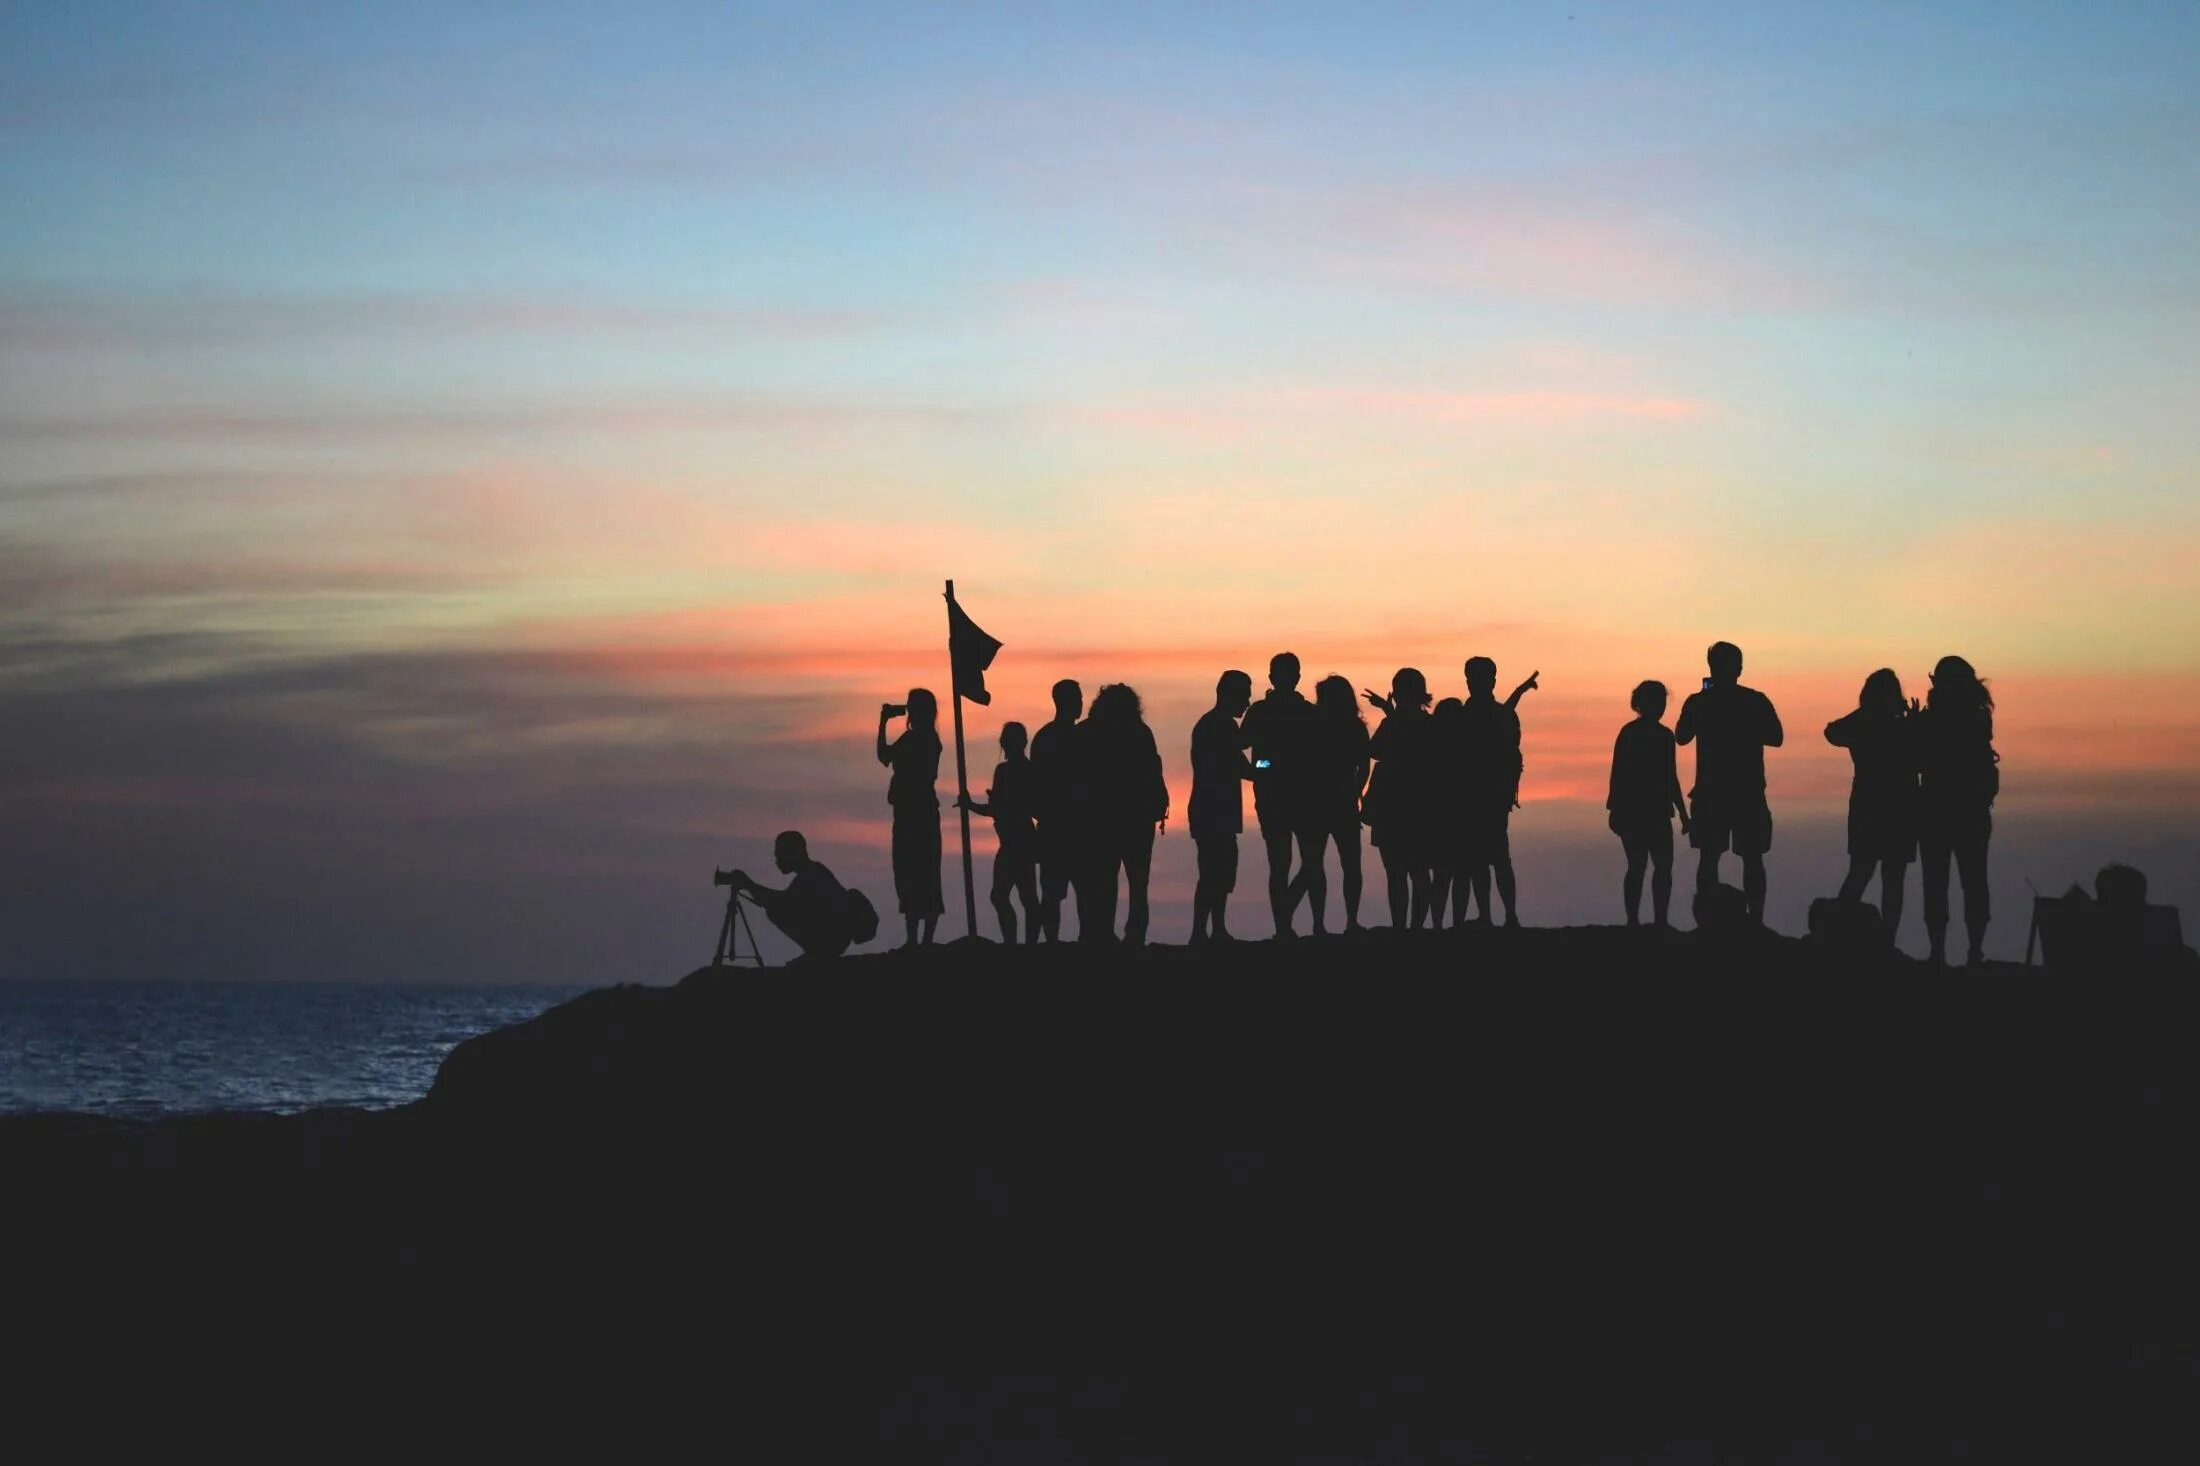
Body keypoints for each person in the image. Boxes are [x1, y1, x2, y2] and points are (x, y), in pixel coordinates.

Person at [1676, 642, 1784, 924]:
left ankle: (1707, 920)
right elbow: (1776, 736)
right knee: (1751, 858)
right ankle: (1756, 920)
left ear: (1711, 667)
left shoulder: (1699, 702)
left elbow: (1681, 735)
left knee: (1709, 857)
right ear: (1739, 668)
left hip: (1712, 792)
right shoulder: (1755, 700)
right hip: (1746, 791)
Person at [1824, 668, 1918, 944]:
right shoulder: (1902, 726)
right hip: (1900, 807)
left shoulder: (1863, 725)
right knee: (1891, 877)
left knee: (1863, 870)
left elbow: (1833, 731)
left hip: (1869, 805)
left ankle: (1840, 933)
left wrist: (1866, 714)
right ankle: (1885, 939)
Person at [1916, 654, 1998, 966]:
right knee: (1973, 882)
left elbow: (1921, 759)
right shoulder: (1978, 717)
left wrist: (1917, 723)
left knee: (1939, 884)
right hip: (1970, 812)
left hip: (1939, 811)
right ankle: (1972, 952)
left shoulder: (1942, 719)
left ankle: (1941, 952)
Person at [1075, 683, 1170, 945]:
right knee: (1137, 883)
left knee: (1106, 880)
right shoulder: (1139, 732)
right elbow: (1154, 772)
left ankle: (1106, 932)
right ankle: (1131, 933)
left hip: (1105, 819)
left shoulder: (1087, 732)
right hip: (1133, 818)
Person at [1240, 652, 1319, 937]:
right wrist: (1266, 766)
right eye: (1282, 674)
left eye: (1289, 674)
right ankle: (1283, 927)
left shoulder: (1309, 712)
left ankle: (1285, 913)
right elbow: (1241, 745)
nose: (1286, 680)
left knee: (1308, 864)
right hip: (1275, 797)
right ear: (1274, 678)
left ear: (1296, 678)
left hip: (1303, 798)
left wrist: (1266, 766)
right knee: (1281, 863)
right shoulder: (1260, 711)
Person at [1453, 658, 1535, 927]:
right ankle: (1503, 916)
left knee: (1486, 860)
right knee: (1496, 859)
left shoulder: (1465, 717)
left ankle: (1495, 917)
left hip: (1475, 798)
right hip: (1490, 798)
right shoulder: (1502, 716)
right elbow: (1512, 750)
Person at [1286, 675, 1370, 934]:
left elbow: (1363, 765)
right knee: (1339, 865)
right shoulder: (1352, 726)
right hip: (1328, 803)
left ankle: (1317, 921)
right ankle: (1338, 922)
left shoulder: (1313, 724)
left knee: (1316, 865)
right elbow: (1364, 766)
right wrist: (1355, 791)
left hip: (1319, 803)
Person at [1607, 681, 1690, 928]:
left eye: (1662, 702)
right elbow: (1620, 774)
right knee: (1645, 867)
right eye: (1657, 701)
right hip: (1640, 812)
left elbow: (1670, 777)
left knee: (1652, 868)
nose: (1661, 707)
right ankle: (1643, 921)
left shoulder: (1655, 735)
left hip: (1650, 812)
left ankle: (1653, 921)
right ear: (1642, 704)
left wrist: (1684, 815)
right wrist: (1615, 809)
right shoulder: (1643, 735)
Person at [1363, 668, 1437, 931]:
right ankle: (1414, 926)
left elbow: (1375, 750)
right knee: (1416, 870)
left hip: (1394, 804)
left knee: (1398, 872)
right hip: (1419, 806)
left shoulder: (1396, 723)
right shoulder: (1430, 725)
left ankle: (1401, 927)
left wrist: (1388, 713)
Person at [957, 722, 1040, 945]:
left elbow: (1024, 806)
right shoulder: (1004, 771)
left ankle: (1022, 943)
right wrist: (972, 805)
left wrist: (985, 804)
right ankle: (1013, 942)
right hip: (1011, 839)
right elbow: (996, 808)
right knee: (1007, 896)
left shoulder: (1023, 770)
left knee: (1022, 897)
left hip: (1019, 839)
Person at [1189, 670, 1255, 942]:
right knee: (1214, 872)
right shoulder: (1221, 726)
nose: (1247, 702)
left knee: (1217, 872)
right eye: (1244, 696)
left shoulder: (1211, 723)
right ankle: (1205, 931)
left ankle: (1212, 929)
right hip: (1214, 811)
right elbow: (1242, 765)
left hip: (1212, 811)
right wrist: (1270, 765)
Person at [877, 688, 944, 947]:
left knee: (923, 873)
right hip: (907, 814)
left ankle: (922, 939)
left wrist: (883, 722)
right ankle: (915, 939)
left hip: (920, 813)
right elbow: (884, 756)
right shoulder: (913, 738)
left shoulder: (925, 739)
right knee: (908, 873)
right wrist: (883, 723)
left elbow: (886, 757)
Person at [723, 832, 853, 962]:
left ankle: (817, 952)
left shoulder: (813, 875)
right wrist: (750, 886)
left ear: (793, 853)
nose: (777, 861)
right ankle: (816, 952)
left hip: (832, 939)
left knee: (776, 910)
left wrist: (749, 885)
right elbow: (785, 900)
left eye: (780, 855)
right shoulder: (812, 872)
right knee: (776, 909)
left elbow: (783, 903)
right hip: (834, 937)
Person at [1029, 679, 1084, 942]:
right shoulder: (1077, 738)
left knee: (1059, 891)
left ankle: (1054, 940)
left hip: (1057, 824)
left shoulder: (1044, 737)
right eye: (1078, 699)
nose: (1081, 704)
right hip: (1063, 825)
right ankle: (1054, 940)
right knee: (1060, 891)